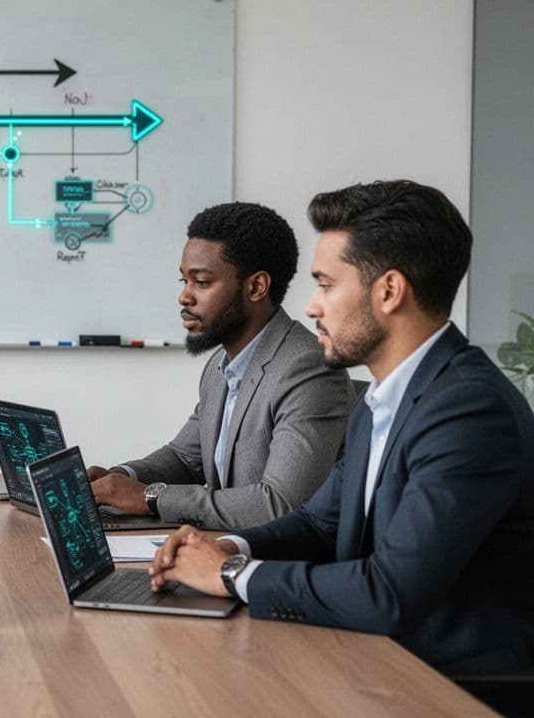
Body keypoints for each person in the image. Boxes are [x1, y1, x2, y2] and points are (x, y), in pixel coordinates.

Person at [149, 181, 534, 701]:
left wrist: (232, 573)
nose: (311, 307)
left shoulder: (467, 411)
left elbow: (389, 591)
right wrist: (228, 545)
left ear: (389, 291)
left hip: (450, 687)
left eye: (327, 285)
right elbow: (317, 522)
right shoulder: (383, 396)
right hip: (373, 659)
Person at [87, 202, 354, 529]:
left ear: (256, 287)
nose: (184, 297)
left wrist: (151, 497)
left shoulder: (309, 368)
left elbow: (280, 505)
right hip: (220, 548)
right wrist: (121, 478)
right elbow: (185, 458)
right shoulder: (220, 365)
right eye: (183, 281)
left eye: (201, 282)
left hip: (275, 566)